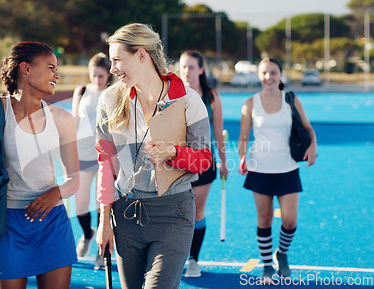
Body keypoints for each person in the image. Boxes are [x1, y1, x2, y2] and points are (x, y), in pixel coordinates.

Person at [0, 41, 80, 289]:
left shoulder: (63, 119)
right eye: (51, 67)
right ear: (26, 69)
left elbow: (74, 179)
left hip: (52, 224)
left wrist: (56, 193)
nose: (57, 75)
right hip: (4, 226)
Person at [95, 23, 213, 289]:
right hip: (125, 213)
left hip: (174, 212)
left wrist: (173, 152)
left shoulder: (188, 99)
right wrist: (104, 221)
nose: (112, 69)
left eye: (117, 60)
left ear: (140, 55)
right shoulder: (109, 100)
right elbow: (106, 162)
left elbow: (205, 159)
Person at [238, 58, 317, 284]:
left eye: (273, 73)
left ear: (280, 74)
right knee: (264, 219)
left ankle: (281, 253)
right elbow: (243, 138)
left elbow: (309, 129)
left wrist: (313, 148)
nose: (268, 77)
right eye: (264, 73)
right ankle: (266, 267)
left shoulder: (291, 99)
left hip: (288, 168)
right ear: (259, 75)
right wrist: (242, 158)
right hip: (260, 169)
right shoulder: (250, 103)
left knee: (290, 221)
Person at [179, 50, 229, 278]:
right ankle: (175, 256)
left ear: (201, 69)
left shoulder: (211, 97)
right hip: (177, 162)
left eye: (190, 67)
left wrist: (224, 163)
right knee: (179, 212)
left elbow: (218, 131)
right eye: (183, 66)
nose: (186, 71)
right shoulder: (174, 94)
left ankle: (193, 259)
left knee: (197, 211)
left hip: (205, 163)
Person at [71, 52, 113, 269]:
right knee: (79, 202)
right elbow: (74, 121)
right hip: (83, 152)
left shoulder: (113, 93)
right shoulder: (82, 91)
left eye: (101, 76)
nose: (97, 80)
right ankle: (88, 234)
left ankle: (101, 251)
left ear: (108, 75)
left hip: (105, 153)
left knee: (101, 203)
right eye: (94, 75)